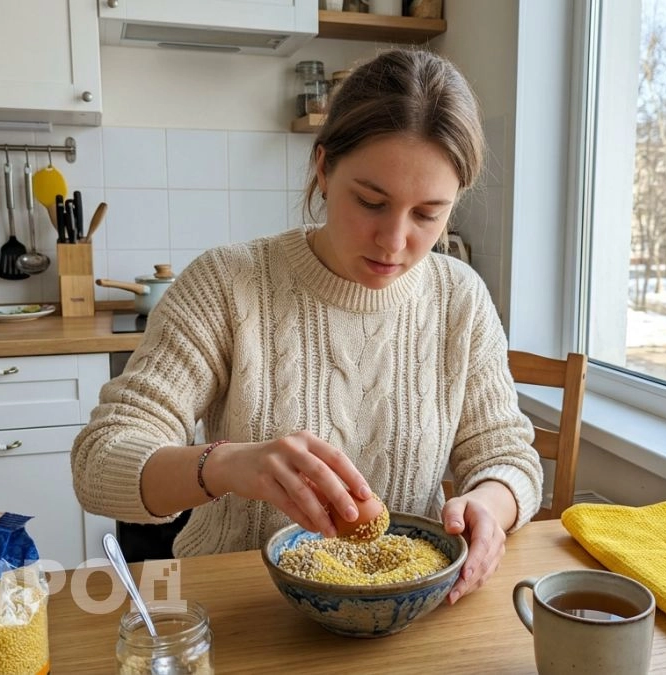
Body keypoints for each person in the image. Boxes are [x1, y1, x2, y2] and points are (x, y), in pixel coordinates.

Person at [72, 49, 541, 605]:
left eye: (427, 214)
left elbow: (507, 455)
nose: (394, 241)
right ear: (323, 168)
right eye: (371, 201)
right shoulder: (227, 284)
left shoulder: (459, 298)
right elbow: (98, 460)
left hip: (404, 613)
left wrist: (489, 504)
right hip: (238, 605)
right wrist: (224, 464)